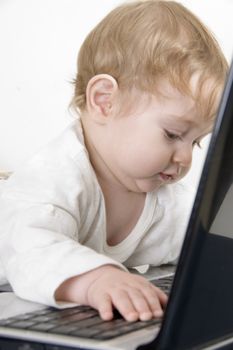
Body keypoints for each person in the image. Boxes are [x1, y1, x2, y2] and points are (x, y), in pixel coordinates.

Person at [0, 0, 228, 322]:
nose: (186, 157)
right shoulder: (53, 179)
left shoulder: (160, 194)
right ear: (105, 102)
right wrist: (96, 278)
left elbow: (202, 234)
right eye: (173, 134)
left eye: (197, 141)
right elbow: (29, 248)